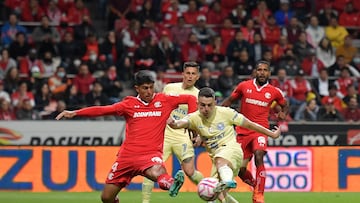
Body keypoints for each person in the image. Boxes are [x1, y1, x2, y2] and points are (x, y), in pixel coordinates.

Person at [56, 70, 197, 203]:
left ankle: (171, 183)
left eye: (151, 87)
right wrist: (75, 113)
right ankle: (166, 183)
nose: (149, 92)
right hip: (127, 157)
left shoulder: (164, 100)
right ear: (137, 88)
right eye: (145, 88)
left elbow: (191, 99)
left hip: (150, 155)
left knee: (158, 172)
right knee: (106, 198)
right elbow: (103, 110)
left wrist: (191, 123)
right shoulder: (129, 104)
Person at [168, 87, 281, 203]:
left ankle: (227, 181)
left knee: (220, 161)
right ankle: (224, 185)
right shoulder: (195, 118)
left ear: (215, 103)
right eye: (202, 105)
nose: (206, 109)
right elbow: (178, 123)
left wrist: (271, 134)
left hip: (232, 152)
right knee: (215, 196)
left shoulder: (226, 113)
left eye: (209, 105)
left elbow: (251, 125)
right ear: (197, 104)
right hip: (218, 162)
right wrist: (172, 122)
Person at [221, 60, 288, 203]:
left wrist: (283, 114)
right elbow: (229, 101)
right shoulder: (244, 86)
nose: (262, 72)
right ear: (255, 72)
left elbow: (284, 104)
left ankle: (259, 194)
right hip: (243, 131)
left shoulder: (274, 91)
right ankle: (255, 183)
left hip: (261, 131)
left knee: (259, 156)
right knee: (240, 169)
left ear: (269, 73)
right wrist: (220, 113)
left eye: (265, 70)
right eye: (259, 70)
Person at [142, 61, 204, 203]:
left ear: (197, 77)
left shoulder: (198, 95)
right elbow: (159, 104)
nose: (190, 76)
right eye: (187, 73)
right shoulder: (170, 87)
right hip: (163, 136)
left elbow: (200, 118)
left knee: (190, 172)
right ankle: (145, 202)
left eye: (193, 74)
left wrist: (199, 135)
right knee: (152, 168)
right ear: (182, 74)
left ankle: (211, 192)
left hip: (183, 137)